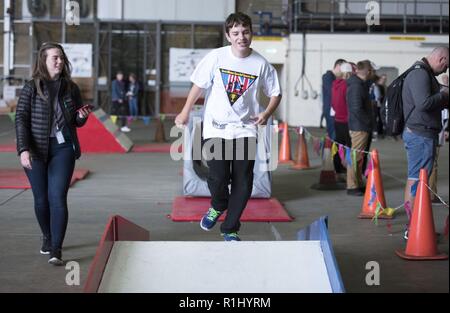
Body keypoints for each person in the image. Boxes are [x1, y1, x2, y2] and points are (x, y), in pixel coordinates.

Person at [175, 12, 282, 241]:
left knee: (243, 182)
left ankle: (230, 228)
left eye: (245, 32)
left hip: (245, 130)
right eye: (235, 33)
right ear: (228, 35)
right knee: (218, 177)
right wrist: (185, 110)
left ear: (251, 33)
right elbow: (198, 86)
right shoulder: (216, 57)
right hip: (216, 129)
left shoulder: (261, 63)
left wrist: (266, 113)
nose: (241, 37)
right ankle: (218, 204)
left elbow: (275, 93)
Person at [15, 42, 91, 265]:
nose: (59, 61)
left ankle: (56, 249)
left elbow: (75, 120)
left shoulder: (71, 88)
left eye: (61, 57)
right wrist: (23, 149)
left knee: (58, 197)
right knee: (41, 200)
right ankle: (47, 236)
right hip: (35, 149)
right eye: (54, 58)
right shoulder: (31, 87)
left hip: (63, 148)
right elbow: (21, 119)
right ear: (44, 60)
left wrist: (82, 116)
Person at [402, 47, 449, 239]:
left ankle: (415, 226)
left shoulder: (423, 73)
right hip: (420, 135)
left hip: (421, 134)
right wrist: (444, 94)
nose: (445, 71)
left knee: (416, 179)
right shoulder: (420, 74)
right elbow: (424, 103)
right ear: (441, 58)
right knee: (417, 180)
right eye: (446, 66)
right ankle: (413, 229)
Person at [346, 60, 375, 196]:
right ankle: (352, 185)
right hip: (359, 126)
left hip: (361, 125)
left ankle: (357, 183)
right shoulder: (357, 86)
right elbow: (356, 108)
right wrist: (368, 122)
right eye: (372, 70)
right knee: (356, 157)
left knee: (359, 157)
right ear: (368, 71)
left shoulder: (360, 85)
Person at [331, 62, 353, 177]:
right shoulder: (347, 85)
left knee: (339, 145)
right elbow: (349, 104)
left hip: (337, 119)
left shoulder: (335, 84)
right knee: (350, 146)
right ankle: (350, 170)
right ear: (349, 73)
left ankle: (338, 168)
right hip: (347, 120)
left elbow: (334, 103)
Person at [321, 58, 346, 139]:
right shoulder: (327, 77)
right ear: (338, 66)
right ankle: (335, 152)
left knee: (337, 136)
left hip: (335, 111)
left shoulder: (335, 78)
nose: (344, 71)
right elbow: (333, 93)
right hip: (331, 112)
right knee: (334, 136)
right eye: (343, 68)